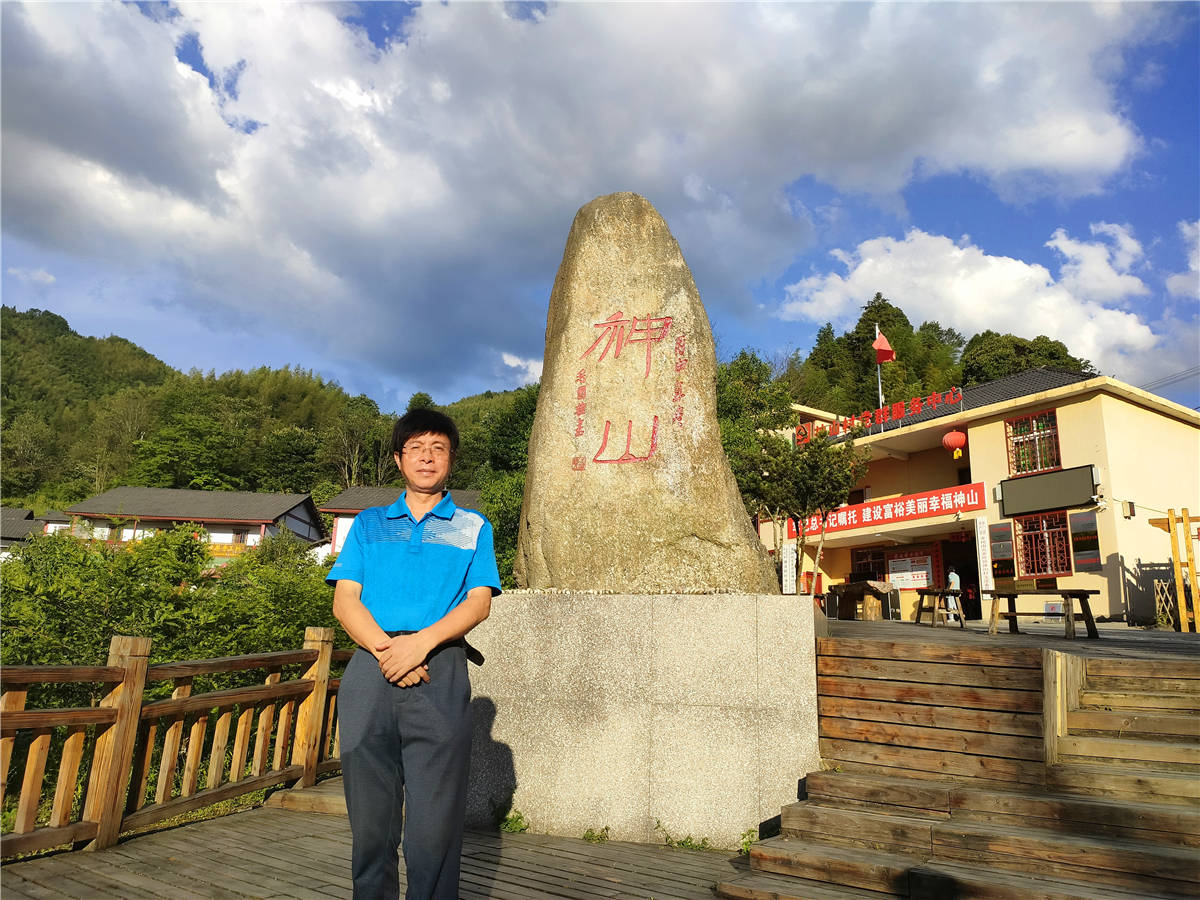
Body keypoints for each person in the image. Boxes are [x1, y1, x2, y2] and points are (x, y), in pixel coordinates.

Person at [328, 408, 501, 900]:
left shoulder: (472, 526)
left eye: (438, 448)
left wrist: (419, 645)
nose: (427, 457)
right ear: (399, 459)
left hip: (440, 668)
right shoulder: (368, 523)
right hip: (371, 663)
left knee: (433, 826)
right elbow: (345, 600)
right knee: (370, 822)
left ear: (451, 460)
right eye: (416, 448)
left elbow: (478, 602)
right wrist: (389, 651)